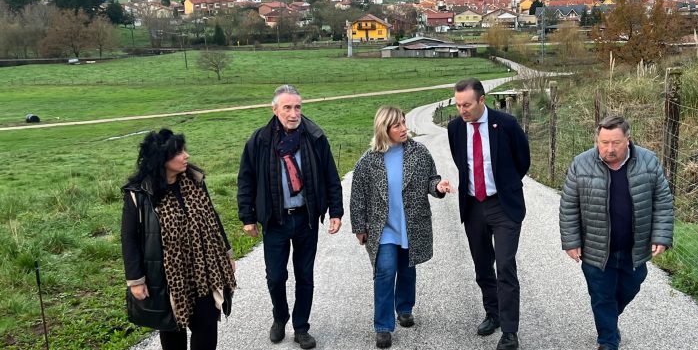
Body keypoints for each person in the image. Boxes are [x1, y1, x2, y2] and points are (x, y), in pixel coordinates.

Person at [237, 84, 344, 350]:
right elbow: (246, 180)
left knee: (305, 275)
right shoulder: (260, 141)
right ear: (274, 110)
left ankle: (301, 327)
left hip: (306, 219)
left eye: (297, 107)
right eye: (287, 107)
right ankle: (279, 317)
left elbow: (331, 175)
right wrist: (247, 216)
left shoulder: (314, 136)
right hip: (276, 220)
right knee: (275, 276)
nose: (294, 113)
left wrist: (336, 211)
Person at [559, 116, 674, 350]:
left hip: (634, 247)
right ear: (597, 140)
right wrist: (571, 241)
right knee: (601, 296)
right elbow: (569, 205)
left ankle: (608, 319)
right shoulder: (581, 164)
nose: (609, 149)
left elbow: (662, 201)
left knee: (631, 286)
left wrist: (661, 235)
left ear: (628, 140)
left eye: (616, 143)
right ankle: (608, 340)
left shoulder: (648, 161)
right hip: (596, 248)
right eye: (604, 143)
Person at [121, 129, 236, 350]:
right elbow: (129, 239)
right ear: (161, 158)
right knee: (173, 328)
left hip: (204, 268)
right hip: (166, 275)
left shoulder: (194, 180)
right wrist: (136, 279)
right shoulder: (140, 193)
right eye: (179, 152)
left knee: (207, 326)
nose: (187, 156)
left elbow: (212, 217)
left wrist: (227, 253)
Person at [350, 106, 454, 349]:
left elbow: (431, 179)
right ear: (384, 129)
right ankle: (383, 326)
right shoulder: (368, 160)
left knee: (408, 268)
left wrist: (438, 187)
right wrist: (359, 226)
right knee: (385, 271)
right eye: (397, 125)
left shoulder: (419, 152)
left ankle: (405, 308)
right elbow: (358, 196)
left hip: (411, 223)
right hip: (382, 227)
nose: (404, 129)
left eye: (404, 123)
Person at [447, 78, 531, 350]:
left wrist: (504, 185)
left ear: (482, 100)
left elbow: (523, 161)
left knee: (505, 265)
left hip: (503, 205)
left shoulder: (505, 125)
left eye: (467, 104)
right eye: (458, 105)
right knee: (482, 265)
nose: (463, 110)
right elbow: (462, 163)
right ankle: (492, 313)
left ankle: (509, 332)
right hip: (473, 206)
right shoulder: (455, 128)